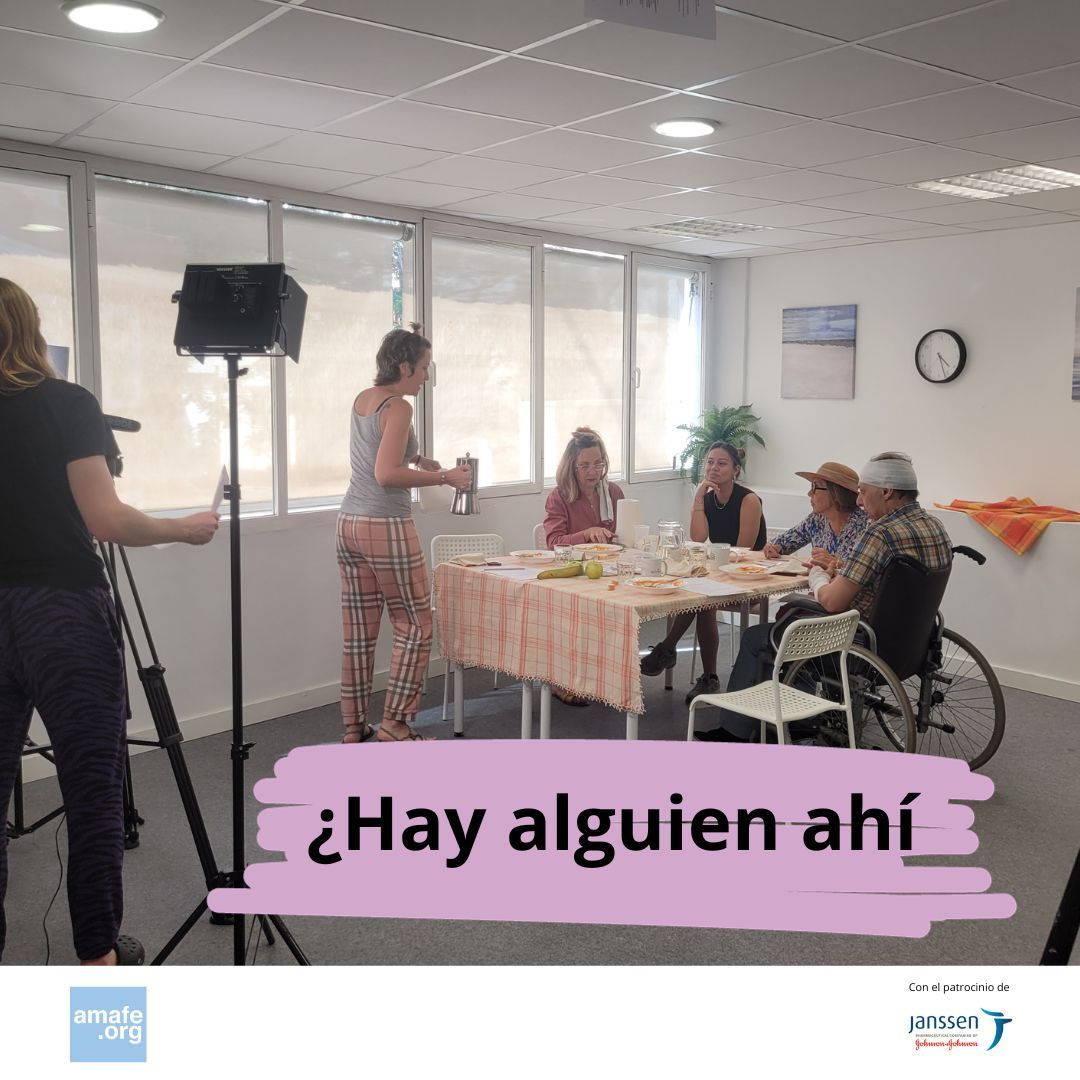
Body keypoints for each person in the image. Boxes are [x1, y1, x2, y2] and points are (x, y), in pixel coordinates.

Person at [0, 277, 220, 966]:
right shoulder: (66, 403)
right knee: (93, 790)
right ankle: (98, 956)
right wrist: (184, 529)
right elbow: (106, 519)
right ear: (30, 329)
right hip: (61, 610)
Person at [696, 451, 952, 742]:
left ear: (887, 491)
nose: (859, 500)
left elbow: (832, 602)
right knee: (790, 619)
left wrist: (818, 576)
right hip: (912, 642)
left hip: (860, 640)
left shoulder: (879, 533)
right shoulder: (935, 527)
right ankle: (791, 718)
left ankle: (735, 733)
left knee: (758, 637)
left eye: (863, 492)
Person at [337, 323, 471, 744]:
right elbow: (386, 474)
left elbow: (378, 450)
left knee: (359, 629)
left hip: (349, 523)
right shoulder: (399, 407)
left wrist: (419, 458)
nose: (427, 376)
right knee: (415, 623)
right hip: (385, 525)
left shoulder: (365, 399)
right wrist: (446, 477)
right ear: (404, 366)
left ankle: (354, 726)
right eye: (425, 367)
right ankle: (395, 724)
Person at [640, 441, 766, 703]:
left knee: (703, 600)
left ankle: (668, 649)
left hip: (750, 579)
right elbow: (698, 537)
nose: (713, 468)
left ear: (736, 470)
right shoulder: (707, 500)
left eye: (721, 463)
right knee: (700, 599)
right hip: (721, 578)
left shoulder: (749, 500)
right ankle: (707, 677)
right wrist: (698, 499)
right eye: (709, 462)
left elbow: (743, 550)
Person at [762, 461, 868, 571]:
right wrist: (773, 547)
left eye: (815, 486)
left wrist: (836, 563)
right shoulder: (816, 519)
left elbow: (866, 572)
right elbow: (782, 543)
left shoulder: (865, 525)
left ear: (836, 493)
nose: (809, 493)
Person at [543, 427, 624, 548]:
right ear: (572, 466)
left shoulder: (613, 492)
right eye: (584, 466)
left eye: (598, 464)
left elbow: (626, 536)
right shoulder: (558, 497)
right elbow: (554, 543)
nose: (593, 472)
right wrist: (586, 534)